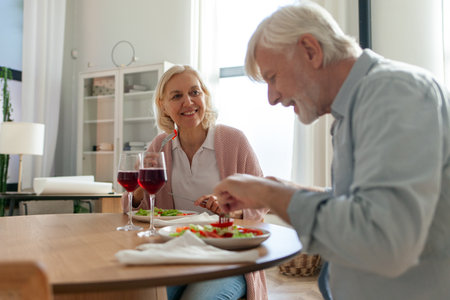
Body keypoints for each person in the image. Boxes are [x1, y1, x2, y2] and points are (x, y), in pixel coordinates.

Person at [213, 2, 450, 300]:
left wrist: (270, 194)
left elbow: (383, 239)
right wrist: (278, 187)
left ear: (310, 50)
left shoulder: (393, 93)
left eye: (273, 78)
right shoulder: (355, 109)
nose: (272, 98)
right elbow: (361, 204)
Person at [121, 65, 268, 300]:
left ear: (205, 97)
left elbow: (262, 199)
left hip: (226, 257)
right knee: (143, 295)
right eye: (176, 96)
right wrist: (139, 192)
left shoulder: (233, 140)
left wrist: (231, 210)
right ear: (163, 106)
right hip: (177, 253)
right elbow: (136, 207)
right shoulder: (160, 145)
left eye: (195, 92)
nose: (188, 102)